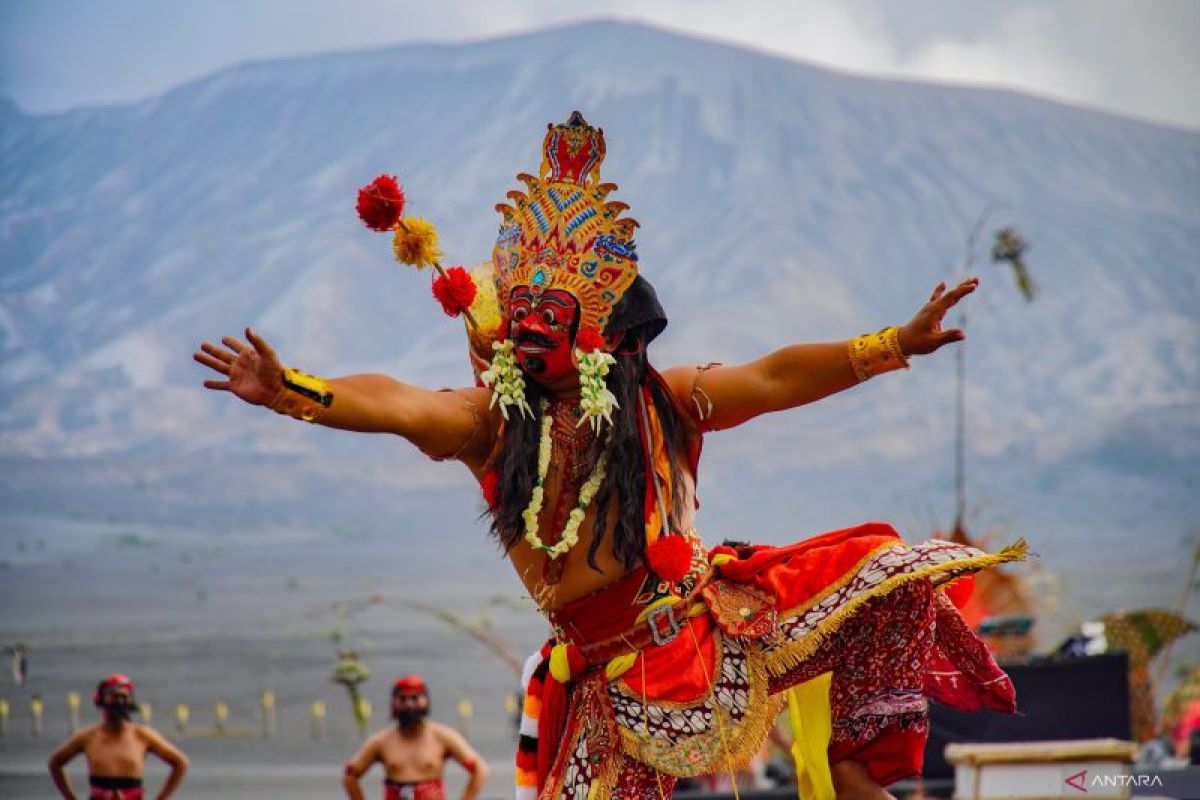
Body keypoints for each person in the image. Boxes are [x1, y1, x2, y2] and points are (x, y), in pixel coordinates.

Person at [195, 112, 1025, 800]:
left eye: (547, 310)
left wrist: (891, 343)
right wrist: (295, 388)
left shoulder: (664, 398)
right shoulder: (491, 422)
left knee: (884, 583)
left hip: (715, 624)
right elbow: (399, 404)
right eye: (518, 309)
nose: (526, 324)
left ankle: (855, 778)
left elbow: (772, 377)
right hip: (607, 685)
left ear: (602, 333)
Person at [342, 675, 489, 800]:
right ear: (393, 703)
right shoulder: (380, 741)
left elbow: (480, 769)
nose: (409, 704)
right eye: (403, 699)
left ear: (426, 701)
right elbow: (350, 775)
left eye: (415, 698)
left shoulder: (443, 737)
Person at [47, 673, 188, 800]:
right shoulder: (87, 737)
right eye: (114, 696)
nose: (119, 702)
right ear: (102, 699)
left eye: (124, 697)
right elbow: (55, 763)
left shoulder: (143, 735)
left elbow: (181, 762)